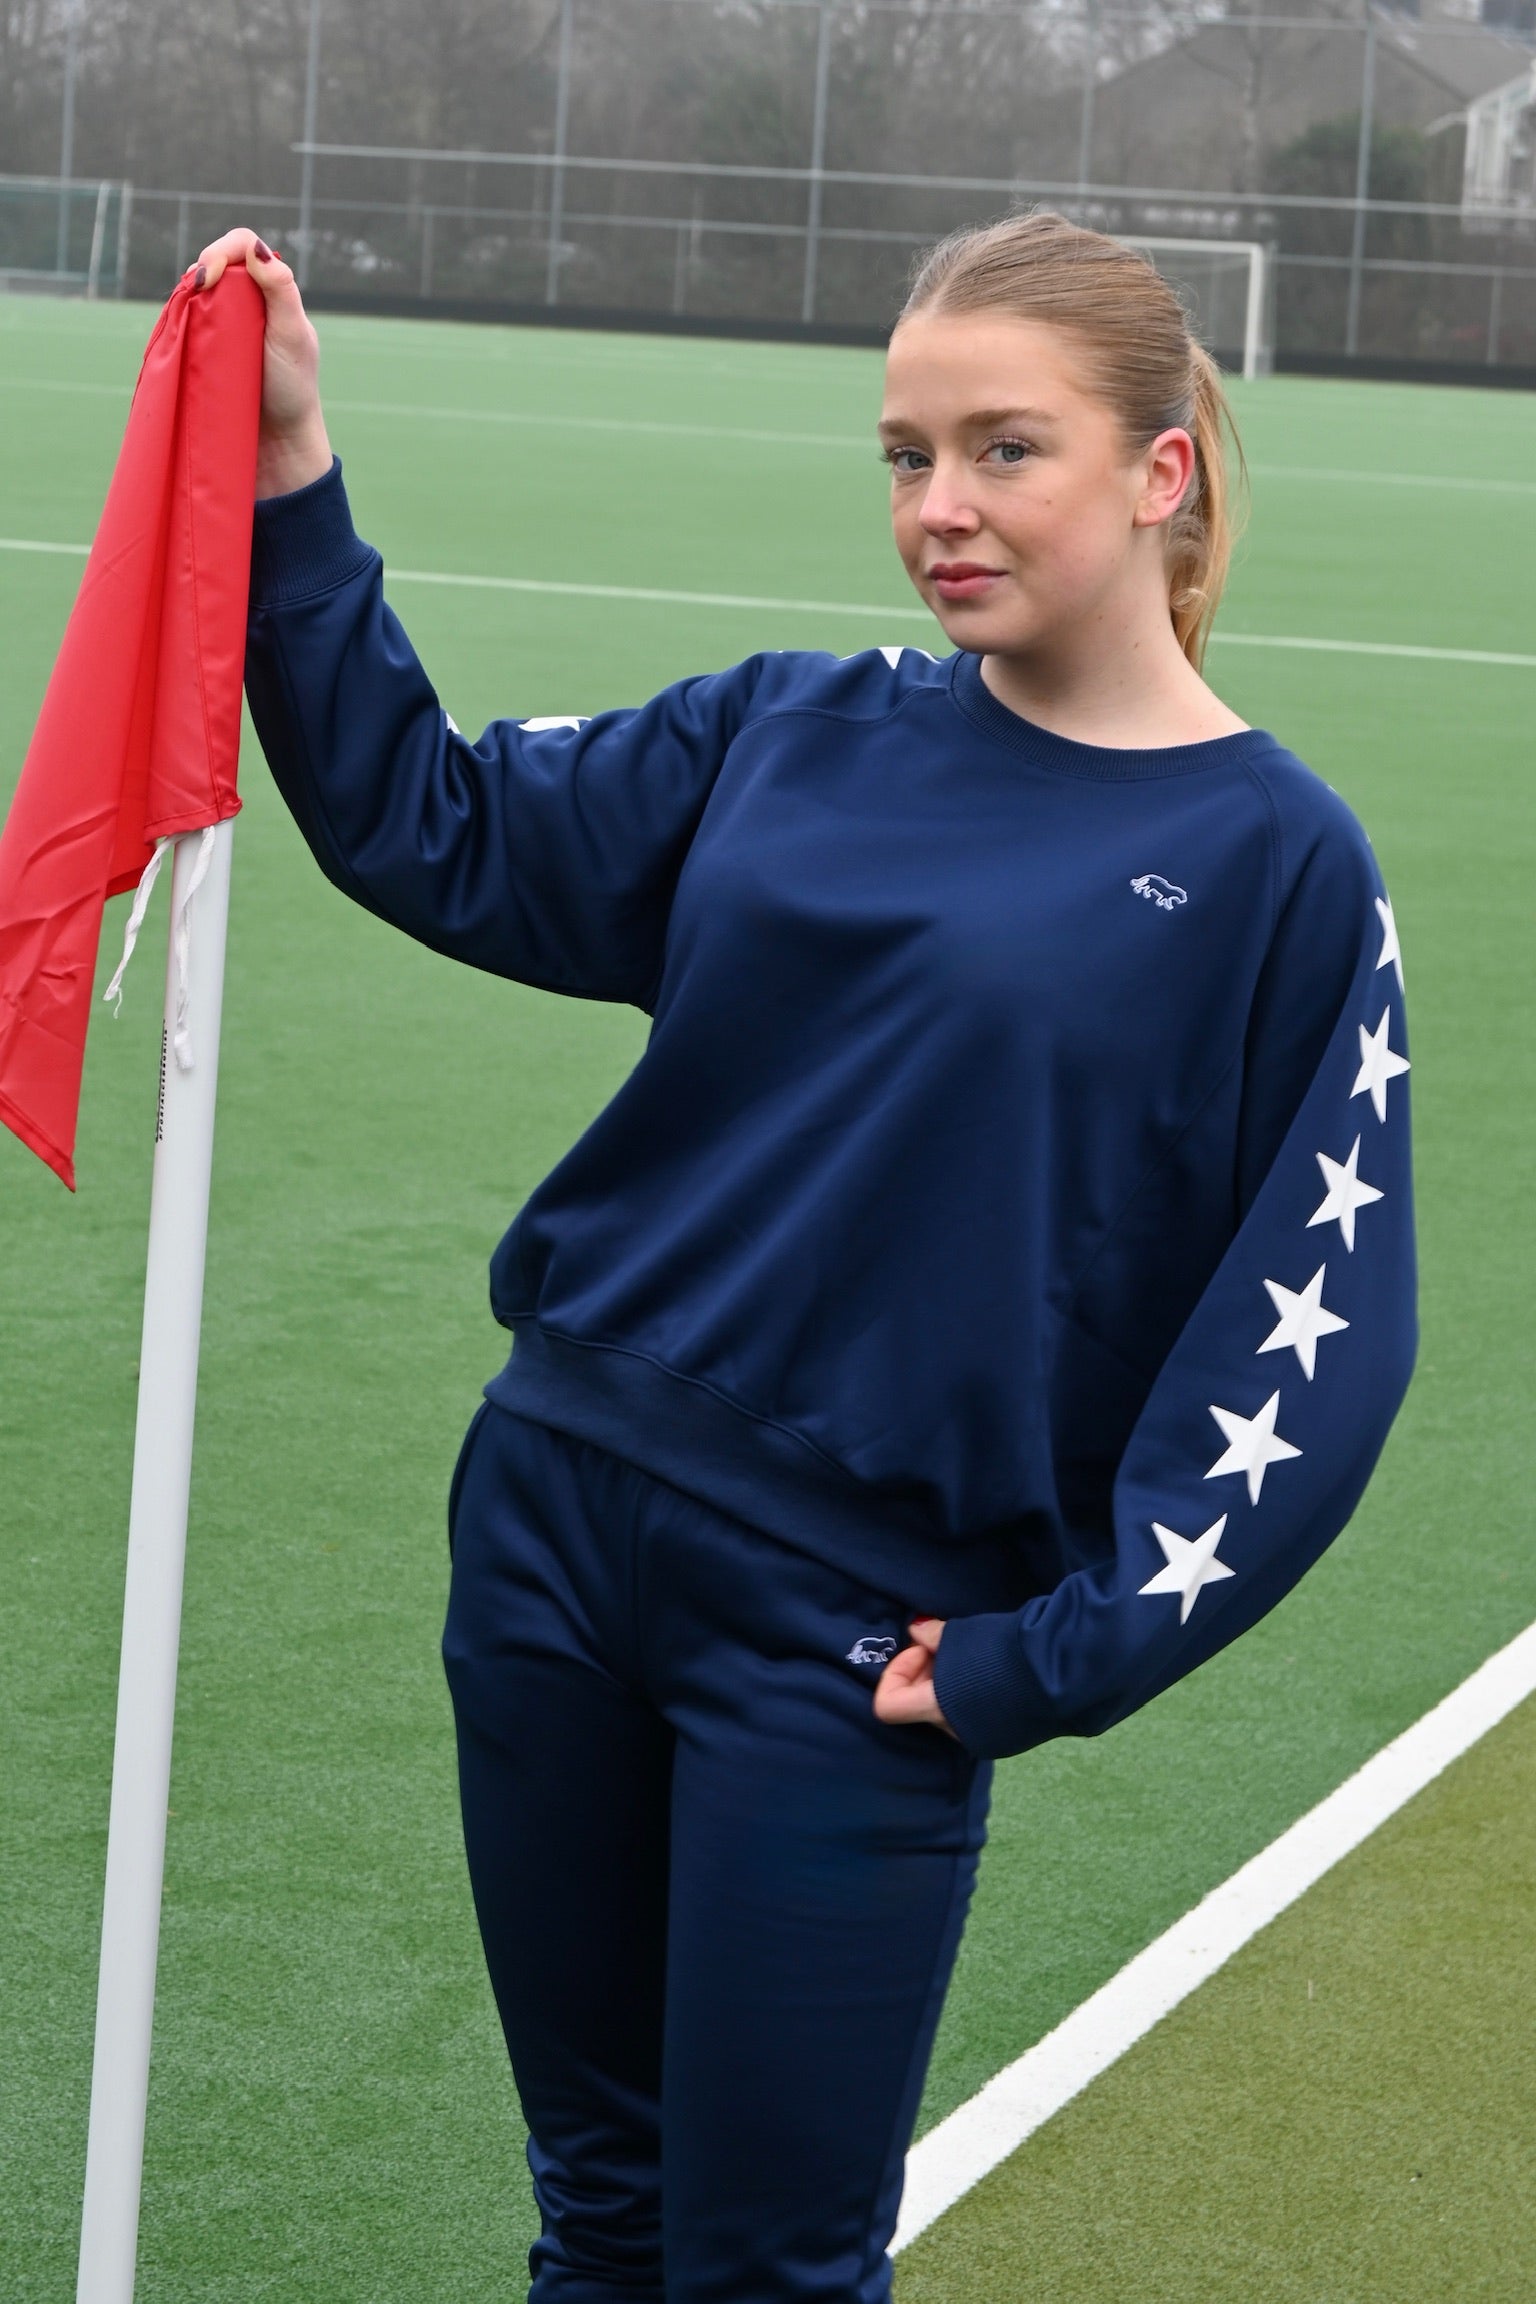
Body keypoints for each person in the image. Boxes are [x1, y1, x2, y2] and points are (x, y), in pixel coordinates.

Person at [204, 210, 1416, 2302]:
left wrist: (1067, 1651)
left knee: (765, 2269)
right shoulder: (795, 725)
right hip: (554, 1535)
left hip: (849, 1646)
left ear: (1162, 470)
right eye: (903, 452)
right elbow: (441, 830)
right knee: (603, 2218)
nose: (939, 509)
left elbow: (1314, 1347)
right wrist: (294, 479)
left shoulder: (1273, 867)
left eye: (1004, 449)